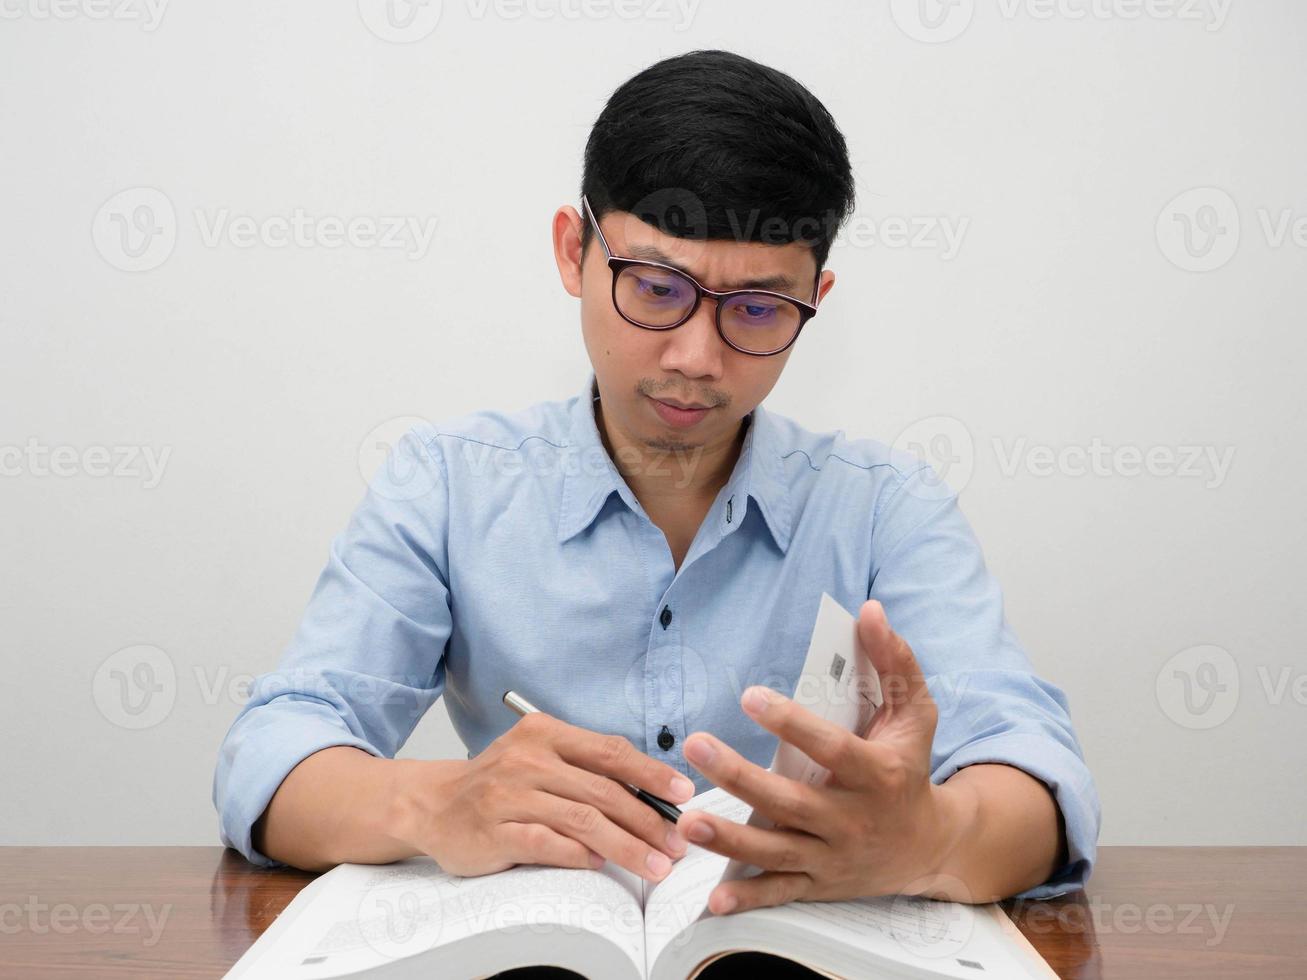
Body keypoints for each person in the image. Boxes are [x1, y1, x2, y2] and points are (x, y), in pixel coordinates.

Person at [213, 49, 1099, 916]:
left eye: (756, 309)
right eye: (654, 287)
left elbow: (1033, 775)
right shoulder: (447, 486)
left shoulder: (883, 507)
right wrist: (436, 803)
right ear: (573, 252)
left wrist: (933, 838)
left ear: (815, 298)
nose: (694, 358)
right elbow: (276, 750)